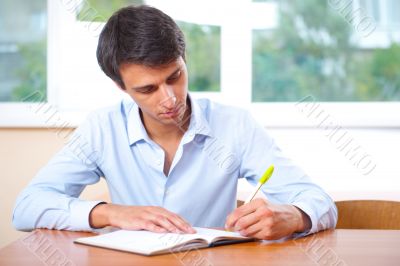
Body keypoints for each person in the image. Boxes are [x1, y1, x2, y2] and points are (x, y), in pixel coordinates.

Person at [13, 5, 337, 240]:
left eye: (175, 76)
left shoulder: (234, 124)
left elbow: (319, 200)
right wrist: (111, 213)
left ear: (185, 60)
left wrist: (295, 216)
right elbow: (27, 208)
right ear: (120, 87)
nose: (169, 99)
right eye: (148, 89)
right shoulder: (102, 128)